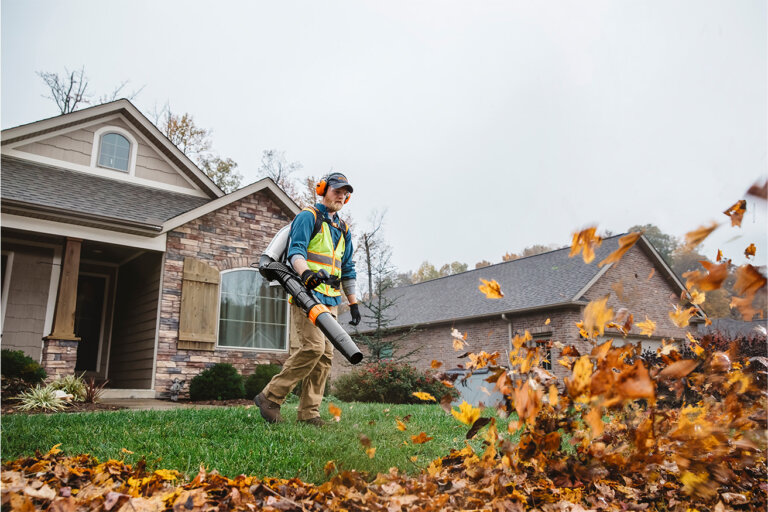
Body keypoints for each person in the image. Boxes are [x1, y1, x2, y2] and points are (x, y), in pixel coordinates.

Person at [255, 172, 362, 426]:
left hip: (331, 300)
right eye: (336, 190)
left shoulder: (343, 229)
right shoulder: (308, 217)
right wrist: (307, 274)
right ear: (323, 190)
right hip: (307, 295)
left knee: (325, 357)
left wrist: (354, 302)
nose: (341, 195)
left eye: (344, 193)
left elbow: (348, 268)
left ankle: (309, 413)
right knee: (313, 348)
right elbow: (296, 252)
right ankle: (270, 397)